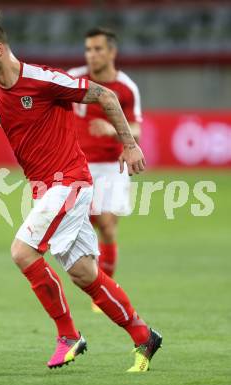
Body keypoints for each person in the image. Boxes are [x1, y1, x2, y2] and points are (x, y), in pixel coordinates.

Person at [0, 10, 161, 372]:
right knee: (85, 274)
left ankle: (69, 335)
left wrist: (129, 144)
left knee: (23, 252)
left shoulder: (43, 80)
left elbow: (104, 96)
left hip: (68, 181)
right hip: (46, 190)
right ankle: (143, 335)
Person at [68, 28, 143, 312]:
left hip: (112, 166)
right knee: (85, 226)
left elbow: (137, 130)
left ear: (112, 52)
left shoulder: (125, 87)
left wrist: (112, 130)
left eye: (98, 49)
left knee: (108, 227)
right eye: (88, 49)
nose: (92, 55)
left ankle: (103, 292)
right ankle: (95, 280)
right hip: (77, 165)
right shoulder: (74, 78)